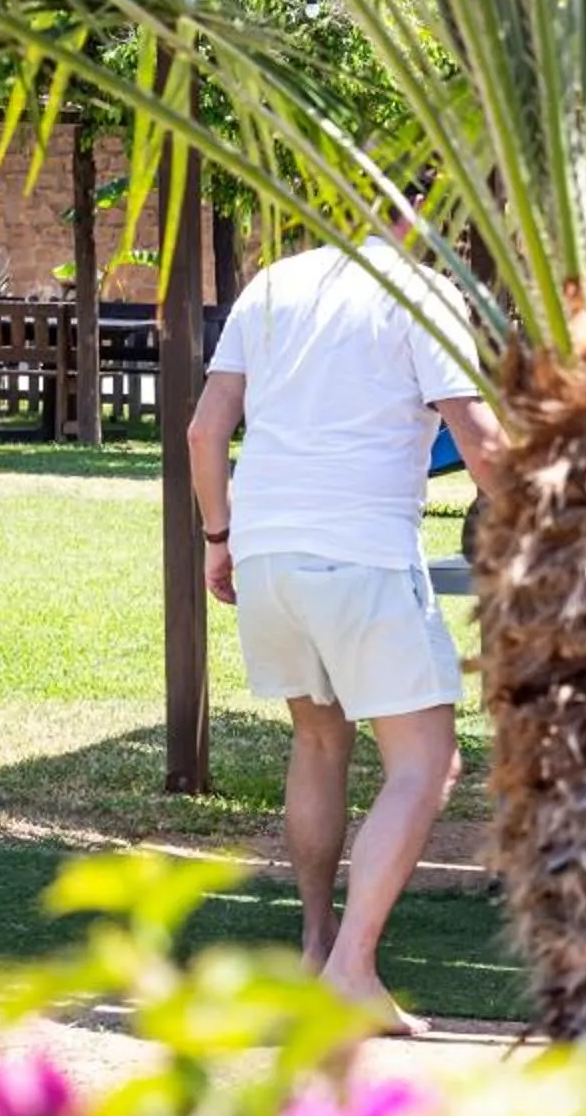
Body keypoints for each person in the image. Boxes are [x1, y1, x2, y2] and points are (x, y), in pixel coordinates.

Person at [187, 222, 505, 1034]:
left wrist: (220, 539)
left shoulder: (273, 284)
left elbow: (204, 430)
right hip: (361, 554)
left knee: (319, 742)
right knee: (426, 762)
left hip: (266, 554)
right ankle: (352, 969)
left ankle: (317, 948)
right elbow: (479, 439)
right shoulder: (422, 292)